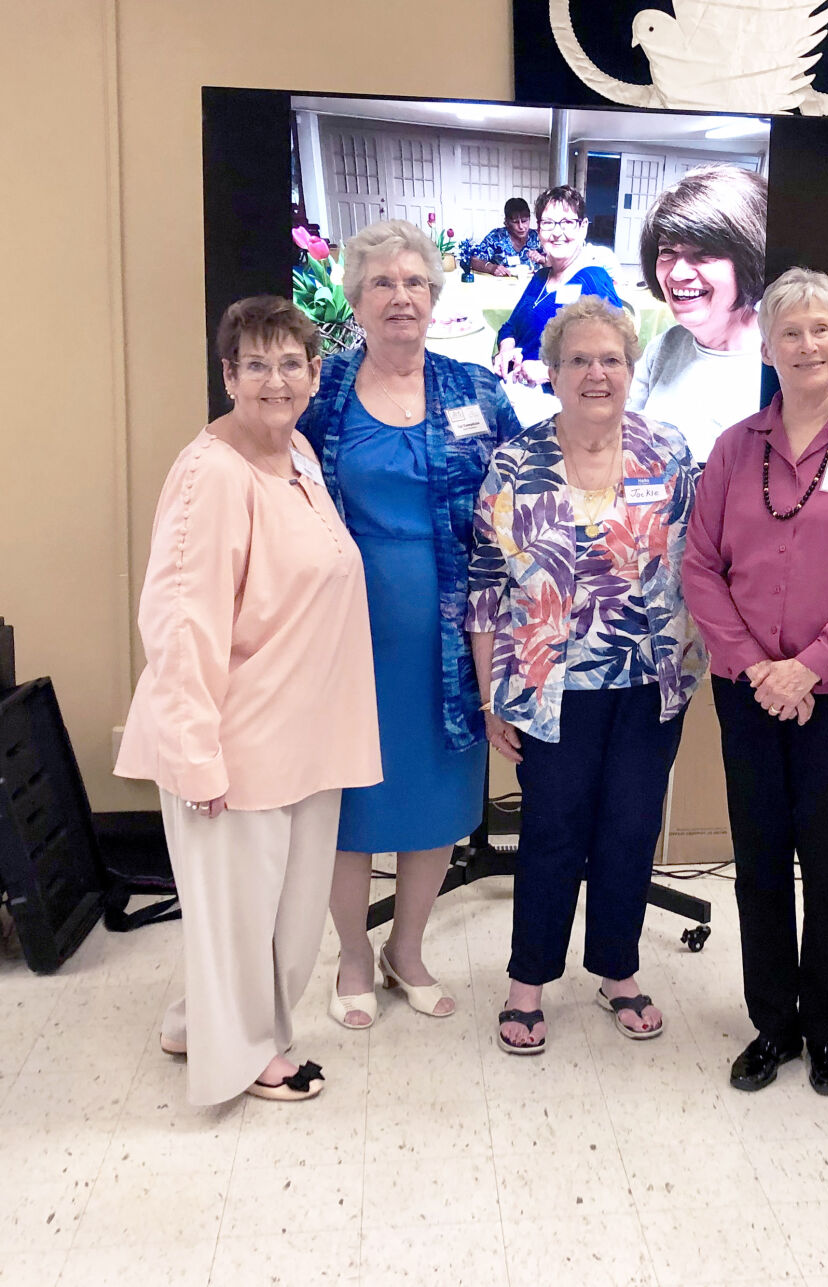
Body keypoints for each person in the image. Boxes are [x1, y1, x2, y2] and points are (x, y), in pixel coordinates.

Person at [114, 296, 381, 1104]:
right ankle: (247, 1056)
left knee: (284, 919)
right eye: (255, 364)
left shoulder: (295, 450)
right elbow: (181, 623)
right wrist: (196, 755)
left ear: (315, 374)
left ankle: (199, 1023)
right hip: (237, 740)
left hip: (305, 735)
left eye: (290, 363)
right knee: (241, 922)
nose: (275, 380)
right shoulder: (212, 474)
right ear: (228, 375)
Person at [683, 268, 828, 1096]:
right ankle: (771, 1025)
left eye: (821, 328)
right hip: (747, 687)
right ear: (766, 347)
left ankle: (824, 1025)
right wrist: (759, 667)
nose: (807, 344)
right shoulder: (733, 447)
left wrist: (809, 665)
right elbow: (700, 566)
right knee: (758, 857)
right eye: (790, 332)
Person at [467, 297, 705, 1053]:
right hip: (549, 688)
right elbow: (485, 585)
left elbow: (703, 562)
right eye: (578, 360)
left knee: (630, 829)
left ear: (631, 369)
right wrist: (490, 696)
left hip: (650, 681)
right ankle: (527, 984)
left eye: (611, 359)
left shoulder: (669, 452)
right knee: (551, 832)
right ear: (552, 372)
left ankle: (617, 971)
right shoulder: (514, 463)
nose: (596, 373)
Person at [300, 219, 522, 1031]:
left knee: (434, 801)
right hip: (342, 642)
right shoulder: (319, 391)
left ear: (435, 297)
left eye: (415, 282)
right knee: (349, 806)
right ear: (355, 300)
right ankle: (353, 956)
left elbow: (524, 494)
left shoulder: (477, 392)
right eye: (382, 283)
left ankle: (407, 948)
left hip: (452, 646)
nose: (401, 296)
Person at [627, 165, 766, 460]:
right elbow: (627, 442)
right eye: (667, 251)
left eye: (704, 253)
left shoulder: (781, 365)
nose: (678, 273)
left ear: (750, 259)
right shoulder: (664, 347)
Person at [494, 186, 624, 386]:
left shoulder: (593, 280)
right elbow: (511, 326)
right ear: (539, 230)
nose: (557, 232)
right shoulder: (540, 277)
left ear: (583, 227)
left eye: (567, 223)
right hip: (515, 386)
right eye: (548, 223)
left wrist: (550, 372)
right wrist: (506, 350)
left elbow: (615, 358)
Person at [464, 197, 543, 276]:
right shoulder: (496, 237)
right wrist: (491, 268)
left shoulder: (537, 237)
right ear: (506, 222)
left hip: (532, 281)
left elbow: (550, 261)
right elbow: (474, 260)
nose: (521, 226)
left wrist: (543, 259)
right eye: (515, 222)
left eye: (524, 221)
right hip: (502, 282)